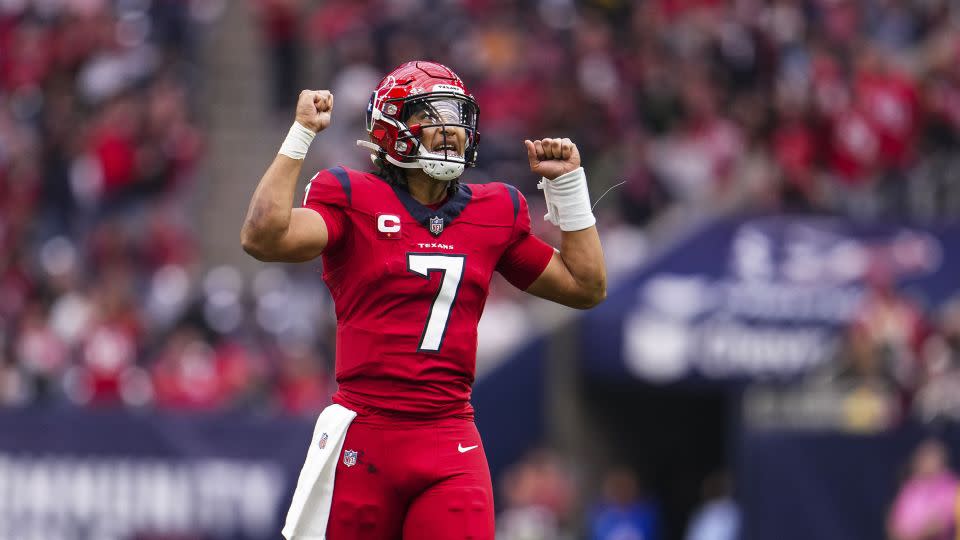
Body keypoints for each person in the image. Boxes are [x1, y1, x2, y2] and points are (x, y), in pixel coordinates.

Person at [240, 61, 606, 540]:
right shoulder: (351, 196)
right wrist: (301, 134)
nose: (450, 130)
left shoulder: (494, 211)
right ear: (391, 128)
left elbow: (586, 286)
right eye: (430, 116)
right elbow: (263, 237)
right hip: (367, 436)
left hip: (449, 439)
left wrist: (569, 187)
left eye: (457, 116)